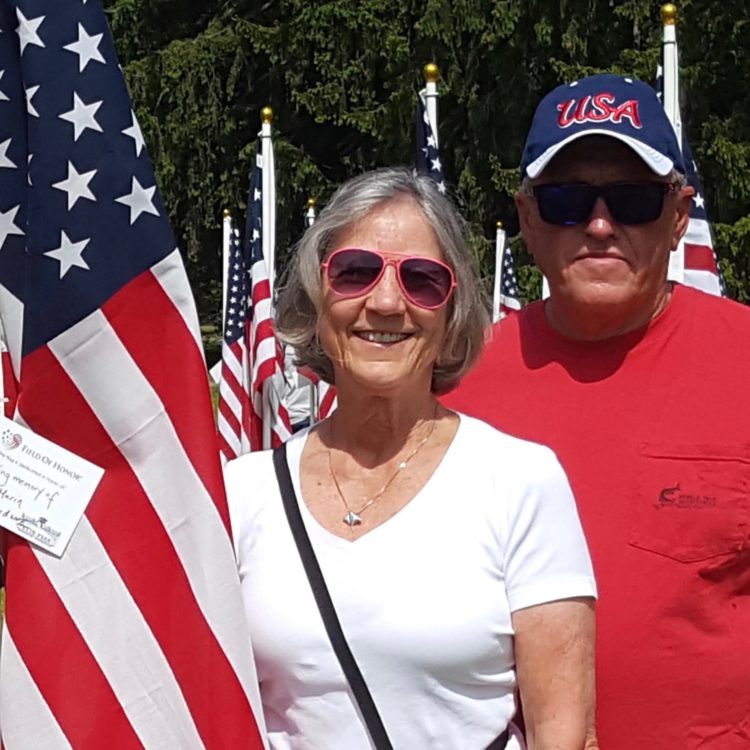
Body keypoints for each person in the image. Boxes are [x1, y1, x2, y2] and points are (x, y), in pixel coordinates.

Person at [225, 168, 598, 750]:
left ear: (452, 316)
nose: (386, 302)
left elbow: (567, 736)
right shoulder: (241, 493)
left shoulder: (520, 481)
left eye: (423, 280)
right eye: (354, 272)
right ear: (316, 300)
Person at [444, 74, 750, 750]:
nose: (601, 225)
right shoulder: (453, 388)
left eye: (634, 200)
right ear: (527, 217)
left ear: (677, 215)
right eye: (567, 200)